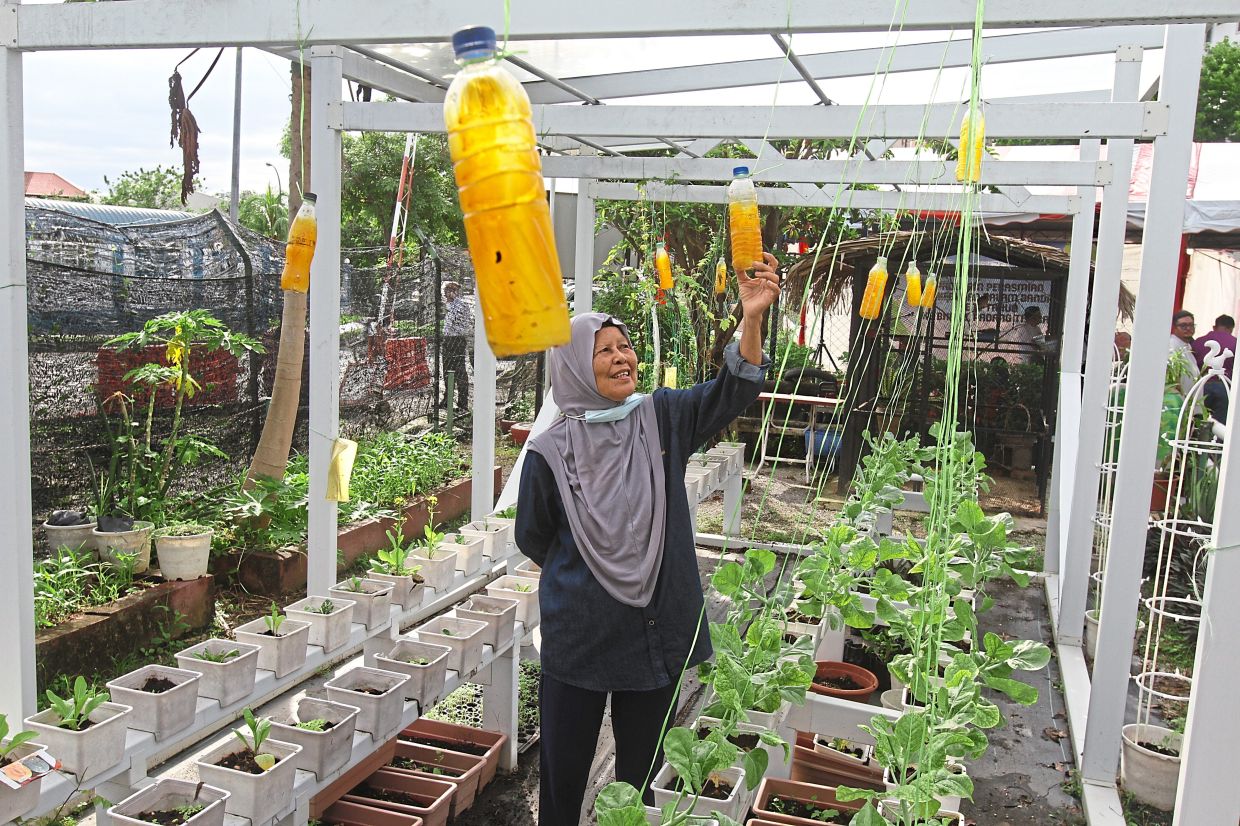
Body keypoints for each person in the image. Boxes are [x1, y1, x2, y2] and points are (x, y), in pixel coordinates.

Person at [515, 252, 781, 826]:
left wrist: (752, 318)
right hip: (580, 639)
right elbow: (534, 536)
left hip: (650, 635)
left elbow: (731, 392)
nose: (622, 356)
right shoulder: (547, 453)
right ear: (575, 368)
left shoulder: (660, 418)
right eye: (604, 349)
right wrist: (596, 570)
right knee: (562, 783)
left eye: (625, 345)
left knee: (641, 782)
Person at [1192, 313, 1236, 421]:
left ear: (1214, 327)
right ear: (1231, 329)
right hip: (1224, 387)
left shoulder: (1199, 341)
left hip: (1201, 386)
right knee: (1220, 425)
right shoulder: (1235, 343)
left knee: (1198, 419)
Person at [440, 281, 471, 411]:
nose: (450, 292)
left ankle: (463, 403)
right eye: (447, 290)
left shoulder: (461, 305)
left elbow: (456, 321)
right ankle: (447, 399)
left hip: (457, 340)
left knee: (460, 371)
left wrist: (447, 308)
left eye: (453, 290)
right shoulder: (446, 304)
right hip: (447, 340)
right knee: (446, 370)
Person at [1169, 310, 1201, 398]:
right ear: (1174, 327)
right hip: (1178, 402)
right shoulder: (1172, 345)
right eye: (1183, 326)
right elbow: (1172, 375)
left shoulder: (1186, 346)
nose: (1188, 328)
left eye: (1191, 325)